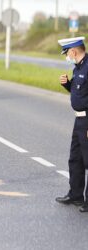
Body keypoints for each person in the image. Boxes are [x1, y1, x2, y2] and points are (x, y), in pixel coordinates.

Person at [55, 36, 88, 213]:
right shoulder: (79, 68)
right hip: (79, 120)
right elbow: (80, 92)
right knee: (75, 158)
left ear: (74, 51)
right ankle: (76, 195)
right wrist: (68, 85)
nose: (67, 56)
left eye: (67, 52)